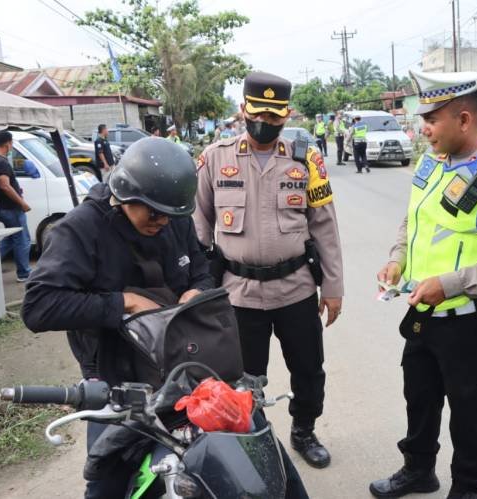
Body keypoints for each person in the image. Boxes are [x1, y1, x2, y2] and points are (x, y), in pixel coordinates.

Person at [21, 136, 309, 498]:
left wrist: (196, 292)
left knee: (260, 447)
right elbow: (38, 307)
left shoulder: (173, 218)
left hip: (186, 366)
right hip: (119, 381)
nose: (161, 221)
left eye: (170, 214)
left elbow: (202, 268)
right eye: (152, 212)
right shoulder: (80, 229)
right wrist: (124, 302)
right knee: (106, 479)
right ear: (126, 194)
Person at [371, 70, 477, 499]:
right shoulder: (432, 161)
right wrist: (396, 259)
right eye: (421, 118)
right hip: (425, 313)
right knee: (420, 399)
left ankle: (467, 489)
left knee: (471, 413)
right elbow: (415, 218)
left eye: (432, 119)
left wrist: (450, 283)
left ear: (464, 120)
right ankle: (418, 470)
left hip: (473, 323)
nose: (422, 128)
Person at [194, 71, 344, 469]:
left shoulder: (305, 159)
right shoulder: (216, 157)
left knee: (309, 370)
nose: (265, 123)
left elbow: (324, 225)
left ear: (286, 114)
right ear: (243, 109)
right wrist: (197, 290)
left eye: (275, 117)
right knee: (242, 379)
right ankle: (250, 442)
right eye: (257, 113)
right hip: (237, 293)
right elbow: (199, 225)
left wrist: (333, 287)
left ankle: (304, 432)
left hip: (295, 289)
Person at [0, 130, 32, 282]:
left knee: (11, 238)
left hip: (2, 207)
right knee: (22, 239)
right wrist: (22, 202)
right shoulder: (0, 162)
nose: (11, 147)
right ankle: (24, 274)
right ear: (7, 144)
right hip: (11, 209)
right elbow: (4, 186)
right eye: (11, 144)